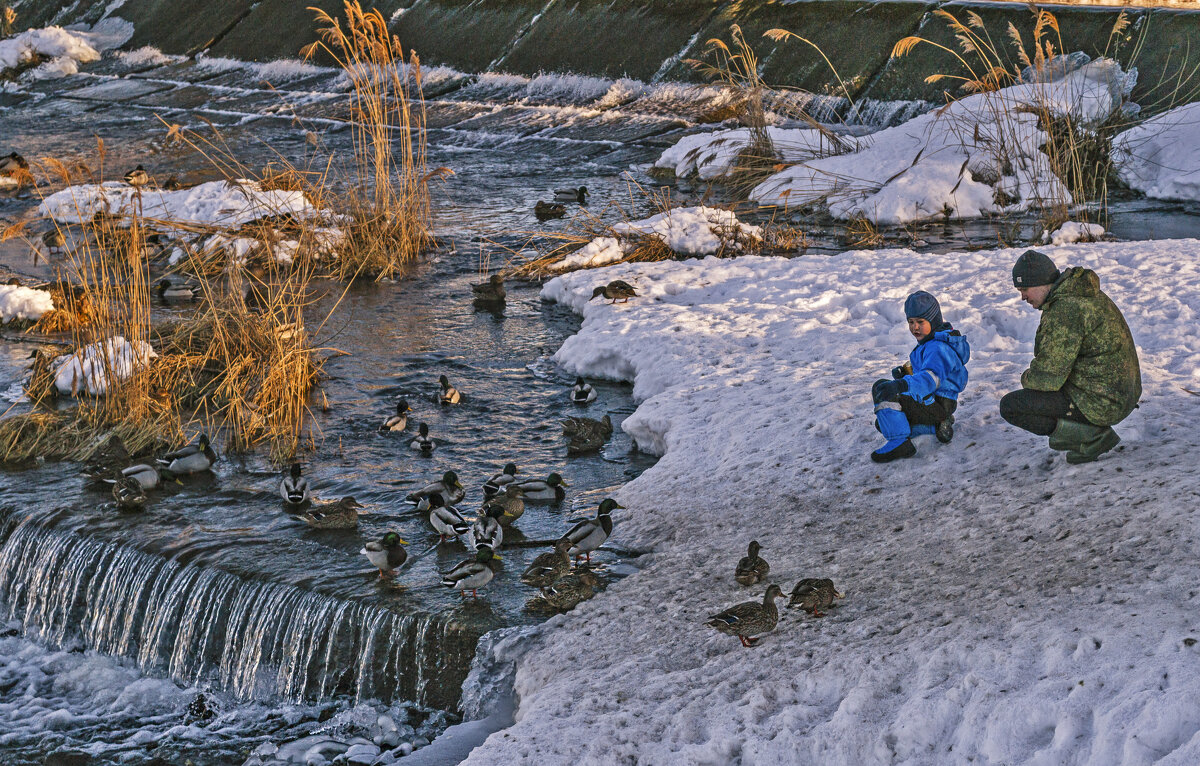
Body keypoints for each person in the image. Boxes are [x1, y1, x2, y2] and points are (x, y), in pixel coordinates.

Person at [999, 250, 1141, 464]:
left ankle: (1094, 438)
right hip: (1120, 392)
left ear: (1040, 282)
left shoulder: (1066, 310)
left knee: (1012, 406)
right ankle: (1090, 431)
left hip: (1104, 401)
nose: (1022, 297)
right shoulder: (1078, 293)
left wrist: (1026, 378)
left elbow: (1047, 378)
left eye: (1024, 289)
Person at [870, 291, 970, 463]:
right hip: (933, 401)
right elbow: (925, 375)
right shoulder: (931, 343)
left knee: (883, 390)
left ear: (933, 320)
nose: (915, 327)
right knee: (883, 423)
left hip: (937, 402)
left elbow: (929, 380)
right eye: (911, 322)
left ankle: (900, 443)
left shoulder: (937, 348)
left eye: (920, 322)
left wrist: (901, 385)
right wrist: (905, 376)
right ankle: (936, 427)